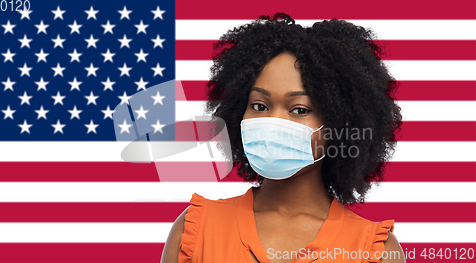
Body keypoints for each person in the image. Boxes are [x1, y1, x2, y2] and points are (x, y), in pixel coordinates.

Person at [161, 13, 405, 263]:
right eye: (259, 106)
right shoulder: (195, 230)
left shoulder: (375, 251)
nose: (274, 122)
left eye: (299, 109)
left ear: (338, 122)